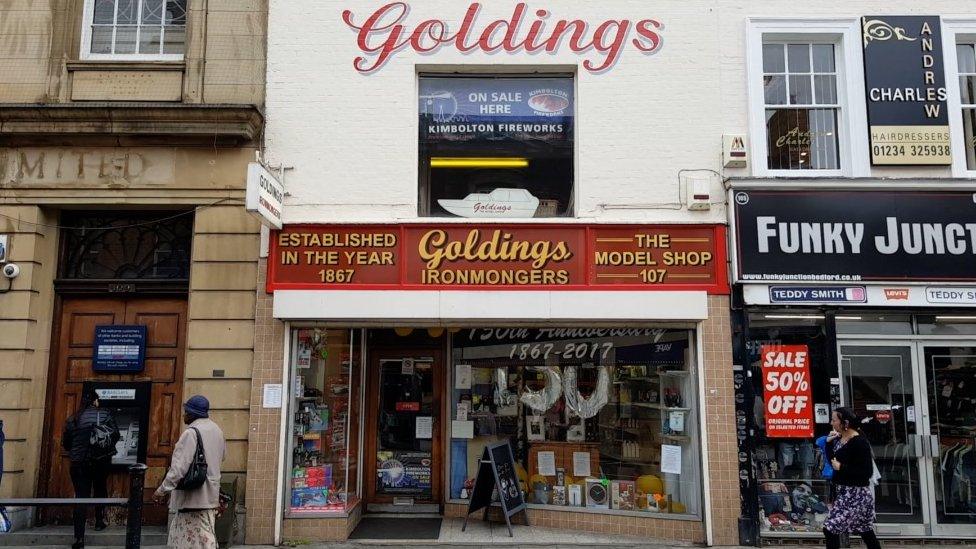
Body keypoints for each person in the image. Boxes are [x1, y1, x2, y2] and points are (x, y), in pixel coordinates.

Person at [153, 395, 225, 549]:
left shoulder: (190, 433)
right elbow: (222, 457)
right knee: (205, 539)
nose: (184, 415)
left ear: (193, 413)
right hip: (210, 497)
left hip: (192, 497)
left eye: (186, 412)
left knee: (187, 542)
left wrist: (162, 490)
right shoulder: (217, 430)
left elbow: (178, 469)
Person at [61, 387, 120, 549]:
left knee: (81, 498)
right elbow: (116, 435)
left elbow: (66, 444)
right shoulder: (105, 414)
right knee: (100, 489)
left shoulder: (73, 419)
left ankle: (79, 538)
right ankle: (99, 521)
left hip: (78, 463)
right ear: (95, 401)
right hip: (100, 461)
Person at [823, 407, 882, 549]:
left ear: (845, 423)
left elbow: (866, 472)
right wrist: (829, 443)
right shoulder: (840, 438)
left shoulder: (859, 442)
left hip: (856, 495)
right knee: (865, 531)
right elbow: (833, 460)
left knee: (830, 528)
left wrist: (842, 467)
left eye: (834, 420)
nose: (832, 423)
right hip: (844, 493)